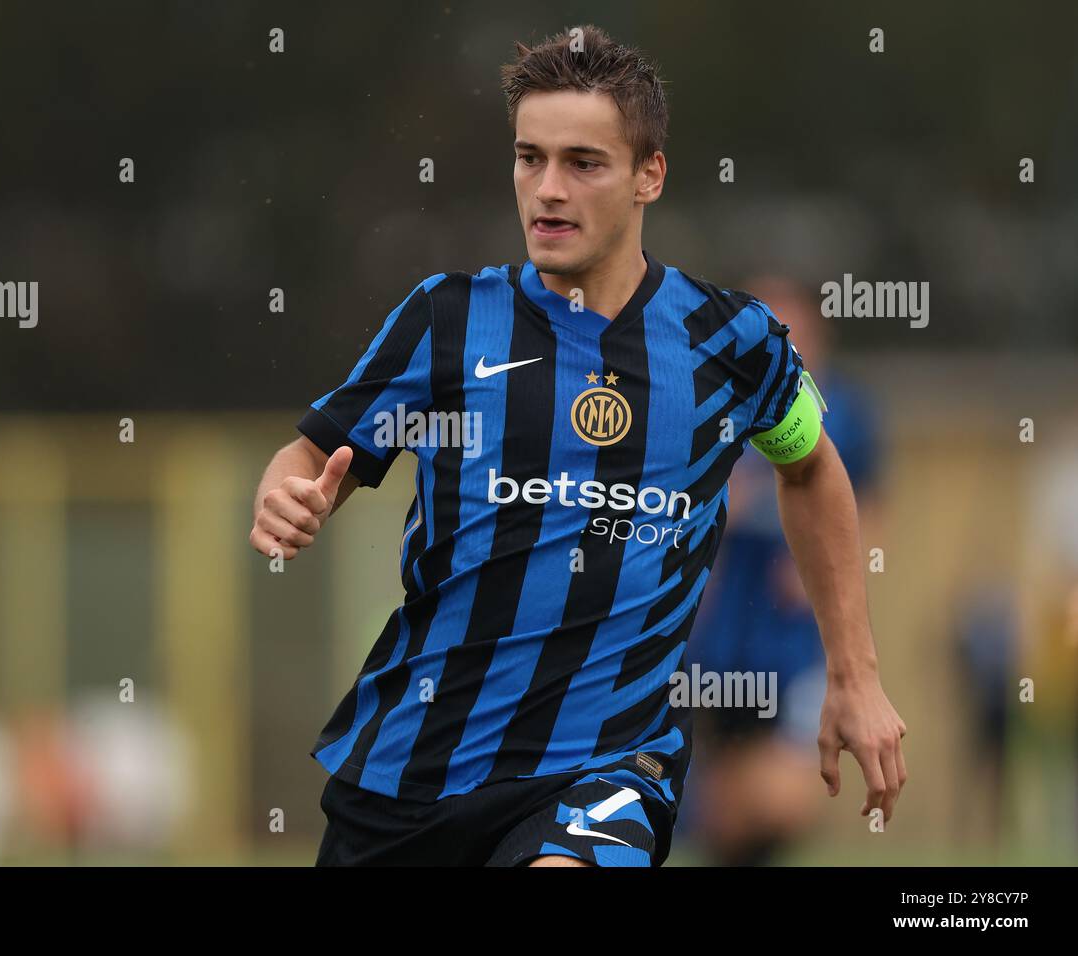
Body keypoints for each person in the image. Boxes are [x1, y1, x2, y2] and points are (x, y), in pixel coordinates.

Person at [249, 25, 906, 867]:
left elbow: (811, 467)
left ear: (649, 175)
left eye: (583, 163)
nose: (547, 189)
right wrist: (287, 495)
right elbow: (310, 456)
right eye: (530, 158)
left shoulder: (735, 344)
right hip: (412, 769)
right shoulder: (448, 320)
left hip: (605, 768)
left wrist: (854, 674)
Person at [681, 276, 884, 865]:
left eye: (795, 334)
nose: (785, 348)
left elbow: (874, 511)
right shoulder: (714, 408)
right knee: (713, 800)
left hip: (798, 644)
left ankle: (719, 811)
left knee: (784, 798)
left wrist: (827, 559)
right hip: (717, 643)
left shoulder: (845, 412)